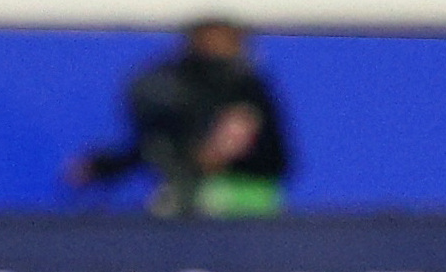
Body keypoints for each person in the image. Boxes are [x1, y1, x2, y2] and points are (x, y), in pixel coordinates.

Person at [67, 16, 293, 216]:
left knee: (197, 202)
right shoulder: (178, 87)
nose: (218, 47)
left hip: (248, 192)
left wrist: (218, 155)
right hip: (193, 190)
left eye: (228, 40)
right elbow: (155, 145)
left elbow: (271, 155)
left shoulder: (250, 88)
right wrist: (105, 167)